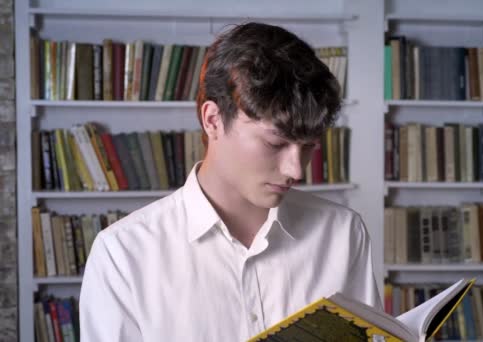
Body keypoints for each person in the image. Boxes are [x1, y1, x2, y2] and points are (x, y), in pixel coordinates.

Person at [79, 22, 381, 341]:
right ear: (212, 120)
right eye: (275, 143)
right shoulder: (123, 253)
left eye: (309, 147)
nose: (297, 170)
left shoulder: (343, 234)